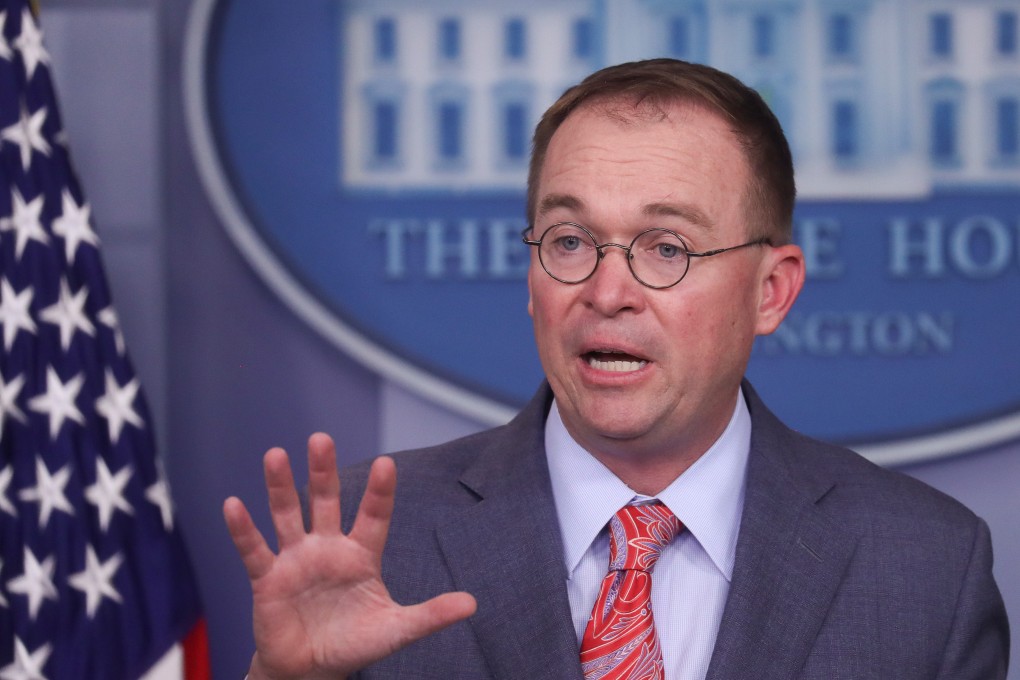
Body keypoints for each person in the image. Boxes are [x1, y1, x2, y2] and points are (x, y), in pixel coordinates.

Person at [223, 59, 1010, 679]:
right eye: (569, 242)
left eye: (666, 248)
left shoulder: (924, 566)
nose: (606, 292)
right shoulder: (374, 539)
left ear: (771, 291)